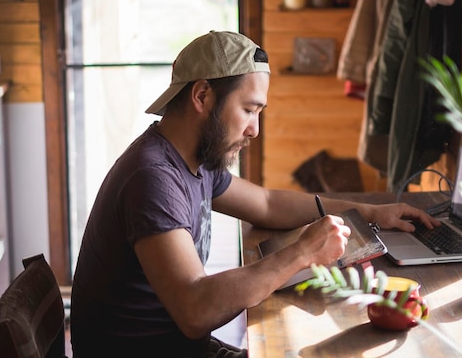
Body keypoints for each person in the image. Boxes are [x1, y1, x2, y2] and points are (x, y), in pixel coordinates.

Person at [70, 30, 440, 357]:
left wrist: (368, 212)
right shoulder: (152, 179)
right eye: (249, 110)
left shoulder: (192, 159)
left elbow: (266, 204)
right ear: (202, 96)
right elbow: (196, 311)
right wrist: (302, 253)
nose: (254, 130)